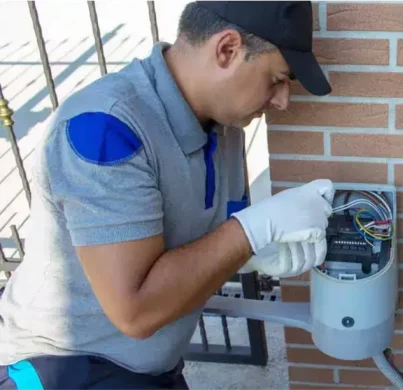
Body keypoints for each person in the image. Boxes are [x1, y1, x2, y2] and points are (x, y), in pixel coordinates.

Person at [0, 0, 333, 388]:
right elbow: (135, 311)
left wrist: (249, 252)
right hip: (64, 367)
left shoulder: (225, 128)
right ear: (227, 49)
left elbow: (216, 235)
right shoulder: (106, 128)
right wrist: (249, 232)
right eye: (277, 79)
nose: (282, 100)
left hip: (148, 366)